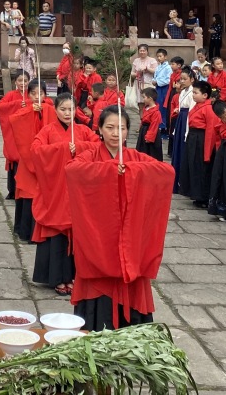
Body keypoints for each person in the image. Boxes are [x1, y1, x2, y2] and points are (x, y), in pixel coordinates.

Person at [66, 105, 175, 330]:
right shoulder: (90, 155)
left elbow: (166, 172)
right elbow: (72, 170)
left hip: (129, 236)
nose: (116, 133)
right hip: (100, 235)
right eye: (110, 127)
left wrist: (132, 171)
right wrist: (110, 170)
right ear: (99, 129)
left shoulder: (135, 157)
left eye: (122, 128)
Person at [30, 92, 97, 296]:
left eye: (71, 109)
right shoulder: (48, 130)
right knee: (57, 236)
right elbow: (35, 150)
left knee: (77, 236)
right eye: (63, 109)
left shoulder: (84, 131)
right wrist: (61, 149)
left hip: (77, 192)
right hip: (55, 190)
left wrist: (81, 147)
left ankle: (75, 277)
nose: (67, 113)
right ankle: (57, 278)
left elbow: (98, 147)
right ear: (56, 110)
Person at [10, 79, 54, 242]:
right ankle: (24, 230)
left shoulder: (50, 109)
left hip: (44, 158)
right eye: (33, 93)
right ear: (28, 95)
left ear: (45, 94)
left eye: (40, 93)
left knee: (41, 194)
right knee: (28, 194)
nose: (37, 97)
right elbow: (14, 121)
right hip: (28, 159)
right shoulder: (25, 109)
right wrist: (29, 112)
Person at [0, 70, 30, 199]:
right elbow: (0, 107)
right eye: (20, 80)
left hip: (27, 133)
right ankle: (12, 190)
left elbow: (44, 103)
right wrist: (17, 105)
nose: (23, 83)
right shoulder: (11, 95)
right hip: (14, 133)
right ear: (15, 82)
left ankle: (23, 189)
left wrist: (28, 104)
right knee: (14, 162)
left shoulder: (32, 94)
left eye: (25, 81)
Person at [136, 87, 163, 161]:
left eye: (144, 97)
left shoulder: (156, 112)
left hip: (150, 131)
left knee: (151, 152)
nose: (143, 99)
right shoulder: (146, 108)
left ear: (150, 98)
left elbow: (154, 126)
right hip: (144, 131)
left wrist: (149, 137)